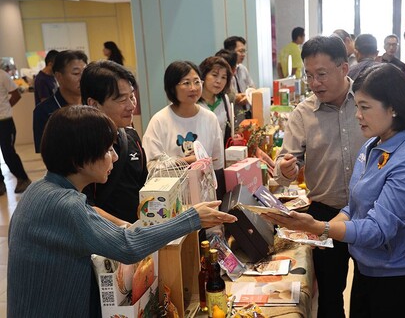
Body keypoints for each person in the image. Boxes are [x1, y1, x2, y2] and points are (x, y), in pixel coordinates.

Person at [7, 105, 237, 317]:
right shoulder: (66, 205)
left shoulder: (39, 190)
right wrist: (192, 218)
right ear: (79, 159)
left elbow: (100, 225)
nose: (115, 157)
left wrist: (124, 225)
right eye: (108, 150)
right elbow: (127, 246)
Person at [266, 63, 405, 317]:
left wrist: (318, 227)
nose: (358, 115)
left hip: (400, 273)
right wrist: (323, 233)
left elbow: (379, 229)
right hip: (369, 265)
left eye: (365, 107)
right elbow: (354, 205)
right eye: (357, 106)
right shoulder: (373, 144)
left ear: (393, 108)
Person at [274, 35, 367, 317]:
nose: (315, 83)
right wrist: (285, 168)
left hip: (370, 214)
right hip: (324, 214)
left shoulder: (368, 102)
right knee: (329, 294)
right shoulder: (303, 113)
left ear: (343, 68)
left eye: (322, 74)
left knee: (369, 293)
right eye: (309, 75)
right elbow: (283, 164)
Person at [80, 60, 147, 224]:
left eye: (132, 96)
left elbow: (144, 188)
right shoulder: (81, 147)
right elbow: (84, 208)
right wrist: (129, 230)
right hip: (105, 241)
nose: (131, 106)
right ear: (94, 104)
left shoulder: (131, 136)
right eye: (122, 99)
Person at [142, 60, 224, 171]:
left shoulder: (210, 118)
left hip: (204, 186)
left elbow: (217, 163)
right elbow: (150, 166)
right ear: (172, 87)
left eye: (197, 82)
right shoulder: (159, 121)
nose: (193, 88)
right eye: (186, 83)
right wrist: (184, 161)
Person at [33, 50, 88, 153]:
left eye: (85, 73)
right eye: (76, 73)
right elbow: (46, 152)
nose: (82, 78)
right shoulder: (44, 111)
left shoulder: (93, 104)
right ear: (59, 76)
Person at [0, 69, 31, 195]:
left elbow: (16, 94)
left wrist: (6, 108)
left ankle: (23, 178)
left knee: (8, 152)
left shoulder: (2, 75)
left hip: (5, 121)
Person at [198, 56, 233, 146]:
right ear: (203, 75)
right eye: (214, 75)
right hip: (199, 156)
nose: (219, 81)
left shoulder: (224, 99)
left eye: (223, 77)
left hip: (220, 155)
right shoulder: (193, 101)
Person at [223, 36, 255, 125]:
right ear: (230, 52)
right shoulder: (223, 72)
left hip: (248, 114)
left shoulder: (243, 68)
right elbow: (226, 96)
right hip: (234, 118)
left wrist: (249, 95)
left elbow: (253, 88)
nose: (243, 54)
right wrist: (238, 97)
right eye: (241, 51)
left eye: (244, 51)